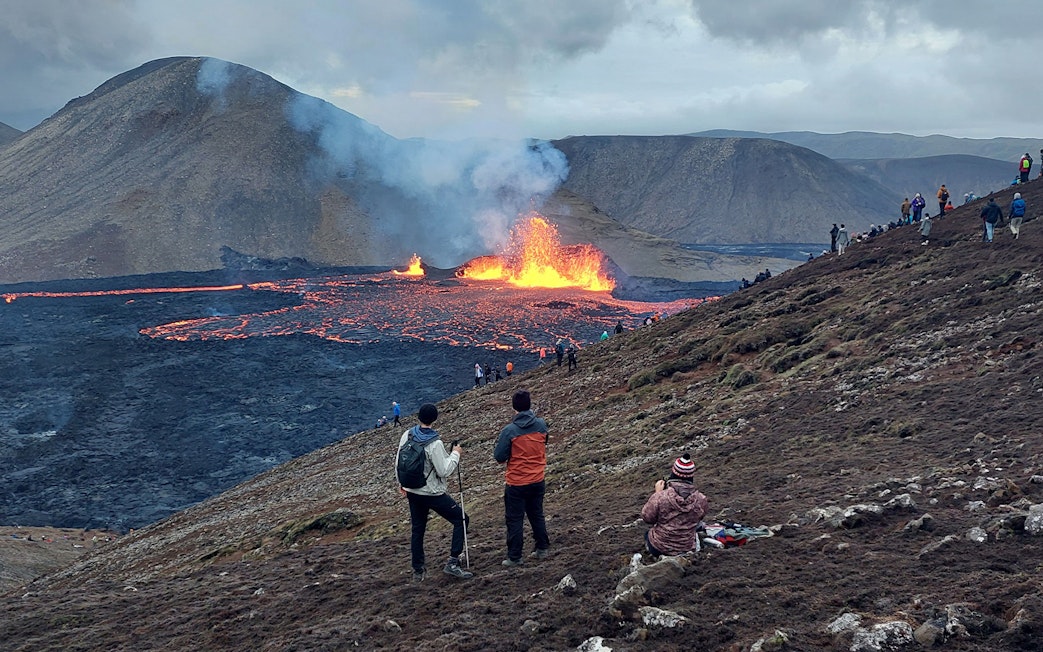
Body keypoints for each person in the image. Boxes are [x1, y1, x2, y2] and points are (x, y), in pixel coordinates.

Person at [398, 403, 472, 580]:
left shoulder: (407, 435)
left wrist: (401, 484)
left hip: (412, 490)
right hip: (432, 493)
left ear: (419, 417)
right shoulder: (434, 443)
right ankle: (453, 562)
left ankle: (418, 570)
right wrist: (456, 453)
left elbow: (399, 461)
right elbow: (444, 471)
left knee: (418, 529)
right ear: (434, 419)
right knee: (461, 519)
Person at [493, 390, 550, 566]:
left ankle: (515, 557)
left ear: (514, 407)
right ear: (529, 405)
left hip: (517, 482)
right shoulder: (541, 425)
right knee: (536, 514)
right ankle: (543, 548)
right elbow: (544, 441)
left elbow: (499, 457)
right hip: (538, 479)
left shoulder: (509, 431)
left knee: (515, 519)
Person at [640, 453, 709, 557]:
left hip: (659, 547)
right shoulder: (701, 499)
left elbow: (647, 518)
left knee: (647, 534)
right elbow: (699, 518)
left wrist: (657, 493)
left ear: (674, 473)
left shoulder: (661, 497)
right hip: (687, 548)